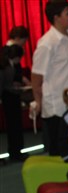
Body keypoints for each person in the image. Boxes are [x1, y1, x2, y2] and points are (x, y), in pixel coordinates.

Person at [31, 0, 68, 156]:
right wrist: (39, 102)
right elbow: (36, 78)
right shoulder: (47, 43)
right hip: (57, 107)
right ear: (56, 18)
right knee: (59, 152)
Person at [2, 26, 30, 162]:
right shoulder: (6, 53)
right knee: (13, 123)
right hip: (8, 94)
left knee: (15, 123)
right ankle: (15, 152)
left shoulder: (10, 53)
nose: (24, 45)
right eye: (24, 41)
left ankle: (16, 151)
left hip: (11, 92)